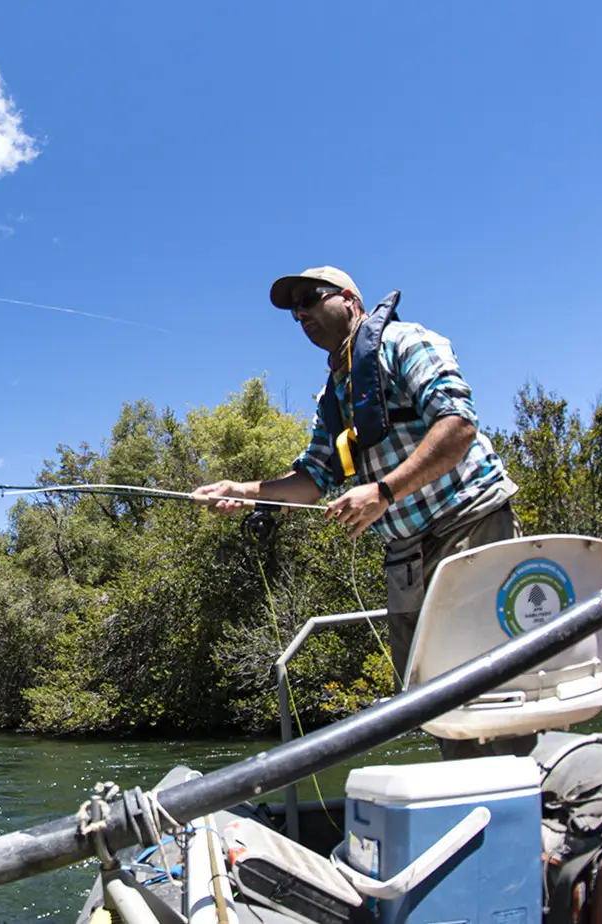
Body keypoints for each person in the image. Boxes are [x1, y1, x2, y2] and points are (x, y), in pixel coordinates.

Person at [192, 266, 523, 760]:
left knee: (493, 692)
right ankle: (474, 802)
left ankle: (519, 801)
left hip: (470, 526)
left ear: (349, 299)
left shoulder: (406, 342)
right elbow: (312, 479)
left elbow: (458, 427)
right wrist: (245, 491)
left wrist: (384, 492)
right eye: (293, 309)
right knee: (430, 700)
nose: (300, 312)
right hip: (406, 555)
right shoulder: (333, 397)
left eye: (309, 298)